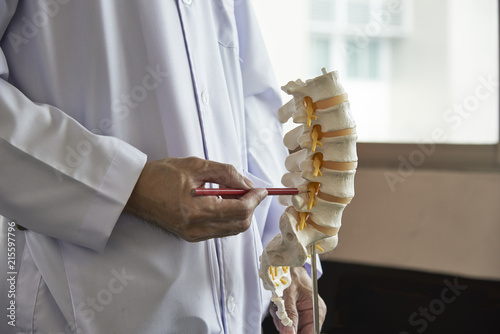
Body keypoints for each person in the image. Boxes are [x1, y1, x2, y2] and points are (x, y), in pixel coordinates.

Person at [0, 1, 326, 333]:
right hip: (80, 306)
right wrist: (124, 185)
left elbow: (250, 95)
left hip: (234, 307)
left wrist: (283, 252)